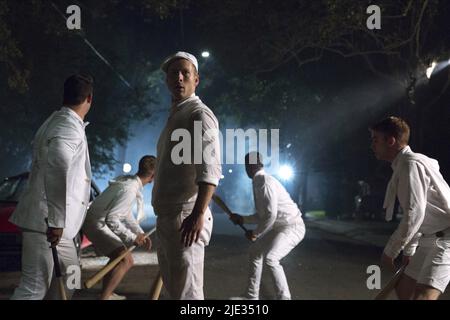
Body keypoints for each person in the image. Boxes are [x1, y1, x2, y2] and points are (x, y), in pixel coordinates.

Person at [9, 74, 94, 300]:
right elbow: (57, 171)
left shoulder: (58, 121)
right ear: (89, 98)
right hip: (47, 225)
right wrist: (56, 221)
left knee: (72, 275)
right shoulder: (66, 127)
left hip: (61, 229)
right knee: (33, 287)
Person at [152, 51, 222, 299]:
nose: (179, 78)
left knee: (189, 297)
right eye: (173, 74)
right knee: (177, 294)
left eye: (185, 73)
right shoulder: (177, 114)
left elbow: (210, 171)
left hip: (186, 218)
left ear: (196, 80)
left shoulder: (199, 115)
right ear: (167, 80)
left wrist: (197, 214)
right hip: (169, 217)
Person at [370, 116, 450, 300]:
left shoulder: (409, 164)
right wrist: (409, 250)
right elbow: (417, 213)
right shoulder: (405, 164)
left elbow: (415, 214)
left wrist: (391, 250)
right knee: (403, 290)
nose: (372, 145)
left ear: (390, 141)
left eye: (375, 139)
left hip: (447, 238)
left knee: (422, 296)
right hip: (429, 237)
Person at [229, 152, 305, 300]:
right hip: (280, 227)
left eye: (247, 165)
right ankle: (251, 296)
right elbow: (262, 215)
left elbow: (271, 215)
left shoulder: (264, 181)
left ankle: (284, 298)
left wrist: (256, 233)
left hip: (293, 226)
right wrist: (242, 219)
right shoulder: (258, 181)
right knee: (255, 251)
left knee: (271, 258)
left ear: (249, 167)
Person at [82, 155, 155, 300]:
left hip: (96, 221)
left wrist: (140, 233)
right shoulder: (130, 188)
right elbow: (113, 219)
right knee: (125, 260)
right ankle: (104, 297)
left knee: (119, 256)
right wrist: (132, 238)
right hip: (95, 223)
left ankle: (106, 294)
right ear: (153, 176)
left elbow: (126, 215)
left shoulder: (129, 182)